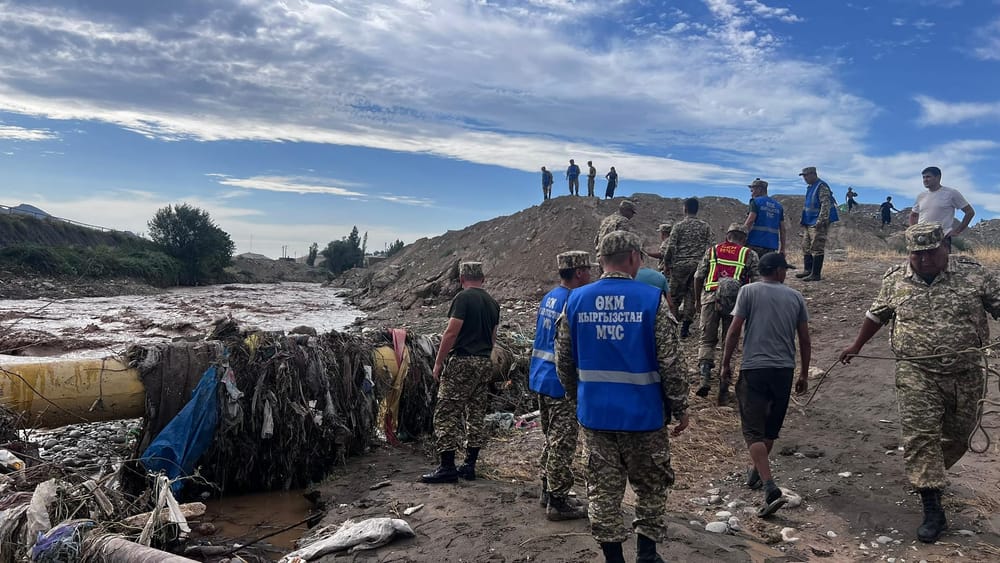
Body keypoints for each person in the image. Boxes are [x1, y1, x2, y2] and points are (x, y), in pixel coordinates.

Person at [838, 223, 1000, 543]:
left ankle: (931, 474)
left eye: (930, 252)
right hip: (915, 371)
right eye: (917, 253)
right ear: (909, 252)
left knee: (959, 435)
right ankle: (932, 507)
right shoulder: (895, 279)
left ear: (945, 248)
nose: (924, 259)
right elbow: (876, 315)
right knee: (921, 435)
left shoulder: (975, 275)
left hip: (966, 372)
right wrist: (856, 346)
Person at [556, 230, 689, 563]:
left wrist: (579, 398)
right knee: (651, 487)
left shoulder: (576, 300)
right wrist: (680, 406)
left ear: (601, 261)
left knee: (603, 491)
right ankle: (647, 554)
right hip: (643, 418)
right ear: (633, 258)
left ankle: (613, 558)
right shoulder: (650, 298)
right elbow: (670, 362)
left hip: (596, 417)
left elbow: (564, 362)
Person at [720, 252, 811, 518]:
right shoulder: (795, 297)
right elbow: (805, 339)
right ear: (779, 271)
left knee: (752, 431)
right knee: (770, 430)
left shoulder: (748, 292)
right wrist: (804, 373)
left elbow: (734, 330)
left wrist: (725, 363)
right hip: (783, 370)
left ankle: (770, 487)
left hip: (754, 368)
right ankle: (757, 473)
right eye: (785, 269)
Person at [421, 262, 501, 484]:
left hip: (462, 362)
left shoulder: (463, 298)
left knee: (446, 412)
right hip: (484, 361)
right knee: (475, 414)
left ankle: (447, 467)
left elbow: (451, 333)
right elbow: (493, 338)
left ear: (462, 279)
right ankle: (469, 466)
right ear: (483, 279)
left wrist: (438, 363)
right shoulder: (493, 304)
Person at [529, 251, 593, 521]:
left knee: (551, 438)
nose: (591, 274)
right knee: (562, 443)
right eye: (588, 269)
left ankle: (548, 489)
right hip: (560, 384)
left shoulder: (550, 296)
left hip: (541, 378)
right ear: (578, 272)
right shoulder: (574, 301)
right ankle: (557, 501)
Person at [693, 223, 759, 404]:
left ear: (727, 235)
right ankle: (724, 385)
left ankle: (704, 377)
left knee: (706, 340)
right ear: (744, 238)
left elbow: (698, 276)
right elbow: (756, 281)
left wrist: (698, 300)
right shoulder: (749, 254)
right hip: (737, 304)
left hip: (710, 299)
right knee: (730, 343)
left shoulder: (712, 251)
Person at [663, 197, 712, 338]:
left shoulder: (679, 226)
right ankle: (685, 328)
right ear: (697, 209)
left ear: (685, 209)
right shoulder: (705, 227)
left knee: (674, 296)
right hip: (698, 266)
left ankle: (671, 327)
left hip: (680, 265)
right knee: (692, 296)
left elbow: (671, 246)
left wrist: (667, 263)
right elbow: (710, 247)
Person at [909, 166, 975, 248]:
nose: (925, 180)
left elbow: (970, 212)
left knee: (940, 261)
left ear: (938, 177)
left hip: (941, 238)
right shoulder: (921, 196)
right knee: (916, 260)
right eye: (923, 177)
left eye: (928, 177)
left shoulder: (951, 193)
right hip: (922, 238)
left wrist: (957, 231)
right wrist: (914, 230)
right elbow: (913, 215)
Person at [796, 166, 839, 282]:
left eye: (806, 176)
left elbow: (825, 204)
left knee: (817, 246)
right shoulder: (810, 187)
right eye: (803, 176)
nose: (804, 178)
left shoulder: (821, 186)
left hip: (818, 222)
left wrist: (821, 220)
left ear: (813, 174)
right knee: (806, 246)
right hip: (809, 221)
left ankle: (815, 274)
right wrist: (803, 219)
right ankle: (808, 270)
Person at [743, 178, 785, 258]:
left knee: (752, 268)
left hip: (754, 243)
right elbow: (783, 229)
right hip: (771, 246)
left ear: (759, 189)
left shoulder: (755, 202)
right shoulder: (778, 206)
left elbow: (750, 221)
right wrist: (782, 248)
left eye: (752, 191)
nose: (751, 194)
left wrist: (741, 238)